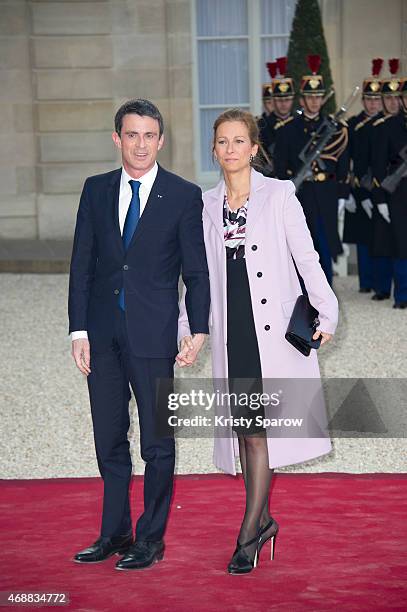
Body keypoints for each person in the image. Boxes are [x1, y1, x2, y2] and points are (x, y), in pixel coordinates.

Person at [177, 108, 338, 574]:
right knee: (248, 428)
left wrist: (326, 311)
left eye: (239, 141)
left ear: (253, 147)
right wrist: (189, 329)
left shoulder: (280, 195)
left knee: (261, 428)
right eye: (222, 142)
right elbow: (200, 278)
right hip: (234, 335)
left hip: (275, 336)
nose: (230, 149)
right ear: (214, 149)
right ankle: (262, 519)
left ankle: (249, 531)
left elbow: (307, 258)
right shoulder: (206, 205)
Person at [68, 98, 210, 570]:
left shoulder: (184, 195)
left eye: (150, 135)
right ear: (117, 139)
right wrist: (78, 330)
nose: (141, 144)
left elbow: (197, 272)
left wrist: (200, 328)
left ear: (161, 140)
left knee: (157, 443)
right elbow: (81, 266)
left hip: (154, 337)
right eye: (132, 134)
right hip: (102, 336)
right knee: (108, 438)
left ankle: (150, 538)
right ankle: (114, 532)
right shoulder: (95, 190)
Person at [274, 54, 350, 286]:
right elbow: (280, 167)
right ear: (302, 99)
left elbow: (343, 163)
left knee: (325, 243)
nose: (315, 102)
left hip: (326, 191)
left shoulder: (334, 128)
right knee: (302, 246)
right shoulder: (288, 130)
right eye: (310, 97)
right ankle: (303, 294)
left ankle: (324, 291)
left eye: (318, 96)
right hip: (302, 194)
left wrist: (341, 195)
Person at [343, 58, 383, 293]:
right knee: (364, 239)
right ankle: (366, 283)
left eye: (376, 100)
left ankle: (381, 284)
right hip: (360, 187)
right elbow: (347, 160)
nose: (373, 104)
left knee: (383, 238)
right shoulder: (354, 124)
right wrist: (347, 191)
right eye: (369, 99)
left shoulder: (389, 124)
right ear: (363, 100)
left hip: (382, 187)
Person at [370, 60, 407, 308]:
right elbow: (378, 166)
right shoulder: (389, 126)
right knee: (401, 245)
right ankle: (403, 295)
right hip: (399, 194)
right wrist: (381, 199)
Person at [257, 57, 295, 175]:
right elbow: (252, 157)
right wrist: (264, 170)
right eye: (279, 100)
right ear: (273, 100)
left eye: (287, 99)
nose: (283, 104)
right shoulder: (262, 126)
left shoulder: (299, 123)